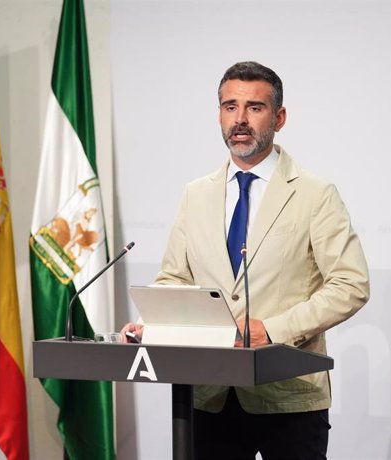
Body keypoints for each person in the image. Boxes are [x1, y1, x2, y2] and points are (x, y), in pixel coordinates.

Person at [121, 61, 370, 459]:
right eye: (229, 106)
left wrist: (270, 330)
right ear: (218, 114)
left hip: (289, 397)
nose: (240, 119)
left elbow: (350, 284)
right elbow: (173, 279)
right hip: (207, 395)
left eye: (254, 107)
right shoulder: (196, 194)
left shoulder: (314, 193)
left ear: (279, 117)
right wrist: (156, 324)